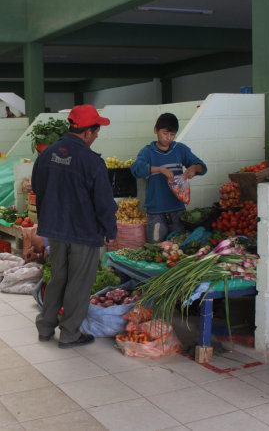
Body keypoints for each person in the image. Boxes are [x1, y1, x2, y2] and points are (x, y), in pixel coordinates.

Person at [32, 104, 118, 348]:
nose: (97, 135)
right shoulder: (92, 162)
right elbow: (103, 203)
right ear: (88, 132)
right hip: (84, 232)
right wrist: (110, 230)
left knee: (58, 277)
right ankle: (70, 333)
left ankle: (45, 327)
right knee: (79, 282)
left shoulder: (47, 155)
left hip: (56, 231)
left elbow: (38, 189)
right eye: (97, 130)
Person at [131, 112, 207, 243]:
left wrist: (194, 169)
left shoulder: (180, 149)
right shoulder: (147, 152)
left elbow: (202, 167)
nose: (168, 138)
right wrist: (159, 169)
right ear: (156, 130)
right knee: (156, 248)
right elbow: (136, 169)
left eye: (172, 135)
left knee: (178, 249)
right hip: (156, 213)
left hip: (178, 212)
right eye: (165, 133)